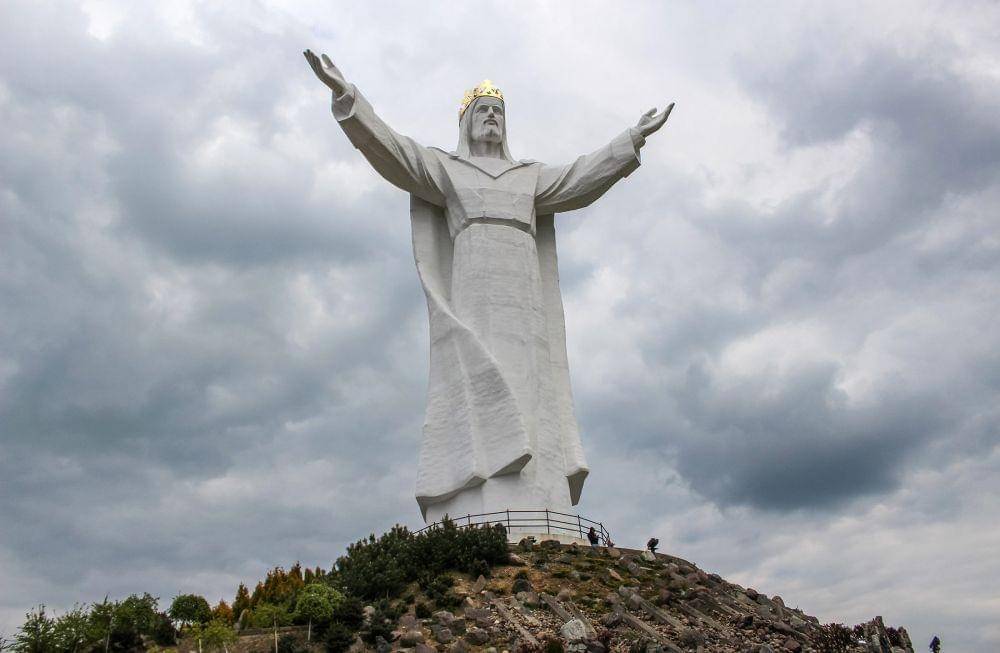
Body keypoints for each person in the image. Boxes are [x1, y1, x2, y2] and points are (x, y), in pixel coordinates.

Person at [304, 50, 672, 523]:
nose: (493, 117)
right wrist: (347, 97)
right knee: (477, 376)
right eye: (484, 110)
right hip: (474, 288)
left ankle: (539, 495)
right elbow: (396, 153)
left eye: (498, 110)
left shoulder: (529, 177)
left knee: (533, 386)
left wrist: (633, 137)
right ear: (466, 122)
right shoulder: (448, 169)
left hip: (525, 295)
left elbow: (580, 179)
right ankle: (478, 495)